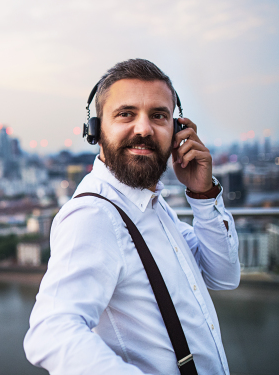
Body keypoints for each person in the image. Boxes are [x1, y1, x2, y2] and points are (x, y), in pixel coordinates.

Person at [24, 59, 240, 375]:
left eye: (158, 116)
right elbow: (51, 333)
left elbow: (223, 275)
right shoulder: (94, 215)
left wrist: (203, 195)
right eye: (126, 114)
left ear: (178, 131)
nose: (143, 128)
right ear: (96, 130)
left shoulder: (152, 206)